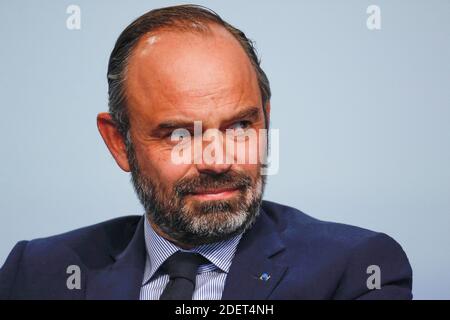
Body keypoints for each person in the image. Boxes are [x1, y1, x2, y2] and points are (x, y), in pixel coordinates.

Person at [0, 4, 412, 300]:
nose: (217, 161)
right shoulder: (38, 272)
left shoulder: (355, 271)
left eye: (239, 126)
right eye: (180, 135)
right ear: (118, 142)